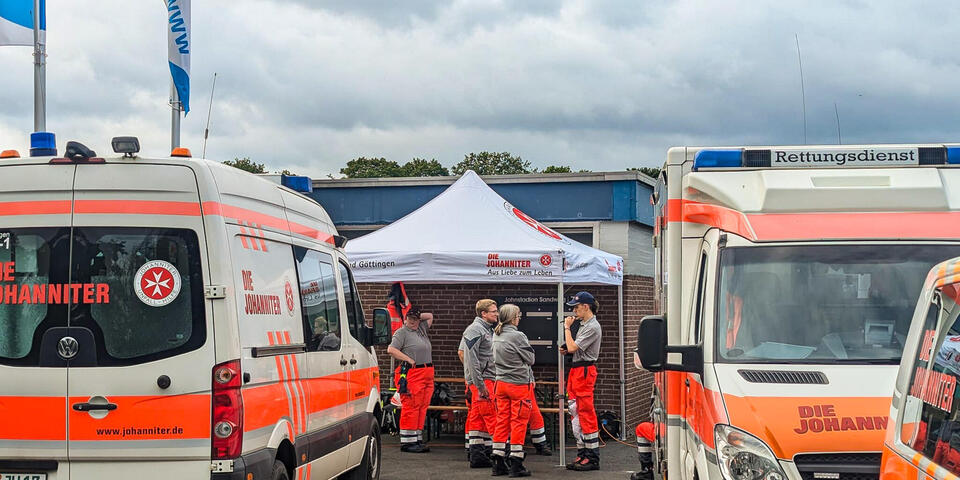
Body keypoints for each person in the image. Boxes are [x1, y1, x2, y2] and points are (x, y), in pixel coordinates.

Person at [491, 304, 535, 477]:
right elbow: (530, 358)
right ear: (513, 318)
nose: (520, 318)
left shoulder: (496, 334)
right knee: (518, 421)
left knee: (502, 420)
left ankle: (498, 462)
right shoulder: (518, 336)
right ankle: (516, 463)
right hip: (518, 384)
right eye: (518, 315)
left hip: (500, 383)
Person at [560, 291, 602, 471]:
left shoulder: (592, 326)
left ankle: (592, 457)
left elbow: (573, 346)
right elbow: (572, 348)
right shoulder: (585, 324)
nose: (574, 311)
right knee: (575, 410)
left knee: (585, 412)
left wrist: (567, 329)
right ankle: (583, 452)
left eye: (576, 307)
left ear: (586, 307)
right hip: (577, 370)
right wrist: (567, 349)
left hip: (584, 371)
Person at [386, 308, 435, 453]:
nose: (413, 321)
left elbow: (430, 315)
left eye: (416, 319)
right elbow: (391, 349)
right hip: (413, 373)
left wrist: (418, 316)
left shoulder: (421, 329)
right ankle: (408, 442)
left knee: (422, 406)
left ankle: (416, 438)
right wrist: (407, 358)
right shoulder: (402, 332)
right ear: (405, 318)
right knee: (411, 406)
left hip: (426, 372)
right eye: (410, 318)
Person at [462, 299, 500, 467]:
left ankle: (478, 456)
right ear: (483, 313)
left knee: (477, 419)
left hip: (484, 380)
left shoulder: (485, 329)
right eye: (493, 311)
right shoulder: (475, 330)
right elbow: (470, 358)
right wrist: (480, 385)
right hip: (483, 381)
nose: (497, 314)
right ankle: (501, 455)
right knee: (492, 416)